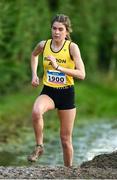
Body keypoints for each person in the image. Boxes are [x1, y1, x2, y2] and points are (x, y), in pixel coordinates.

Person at [28, 14, 86, 167]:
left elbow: (82, 74)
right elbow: (34, 56)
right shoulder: (44, 45)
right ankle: (39, 146)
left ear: (67, 31)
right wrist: (34, 74)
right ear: (51, 29)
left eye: (61, 29)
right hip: (49, 91)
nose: (57, 32)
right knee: (36, 111)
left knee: (65, 140)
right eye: (54, 28)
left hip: (66, 93)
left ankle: (68, 171)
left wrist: (59, 67)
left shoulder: (72, 47)